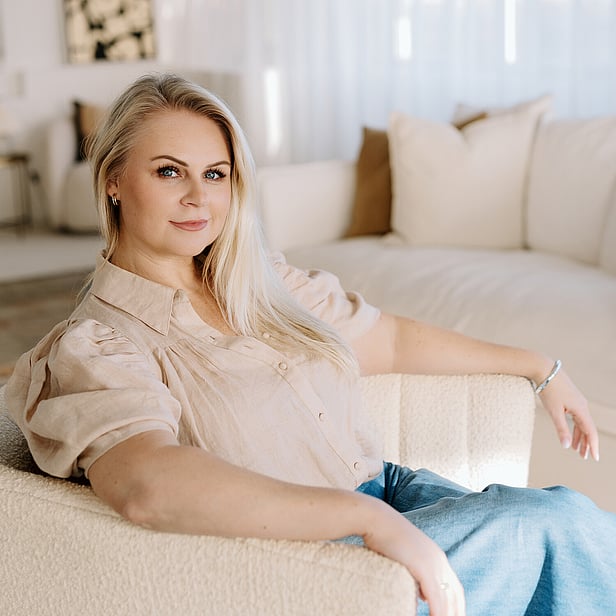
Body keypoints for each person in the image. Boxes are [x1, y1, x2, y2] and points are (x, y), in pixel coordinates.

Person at [5, 73, 616, 616]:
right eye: (169, 171)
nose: (198, 197)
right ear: (113, 180)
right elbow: (148, 485)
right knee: (543, 526)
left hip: (394, 493)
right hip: (313, 554)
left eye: (215, 174)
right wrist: (365, 519)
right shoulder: (99, 345)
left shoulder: (263, 282)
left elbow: (390, 341)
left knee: (576, 523)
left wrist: (538, 366)